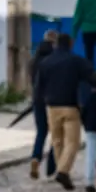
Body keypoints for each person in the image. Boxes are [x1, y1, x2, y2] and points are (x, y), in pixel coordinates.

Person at [35, 33, 93, 191]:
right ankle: (63, 170)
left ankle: (62, 171)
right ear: (70, 44)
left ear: (55, 45)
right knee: (73, 142)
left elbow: (39, 86)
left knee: (57, 141)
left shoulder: (46, 62)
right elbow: (91, 74)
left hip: (51, 106)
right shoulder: (76, 61)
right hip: (70, 105)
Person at [29, 30, 59, 180]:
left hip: (36, 100)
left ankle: (35, 157)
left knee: (41, 132)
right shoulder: (54, 60)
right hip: (52, 101)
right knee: (55, 133)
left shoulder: (34, 60)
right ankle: (51, 167)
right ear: (54, 43)